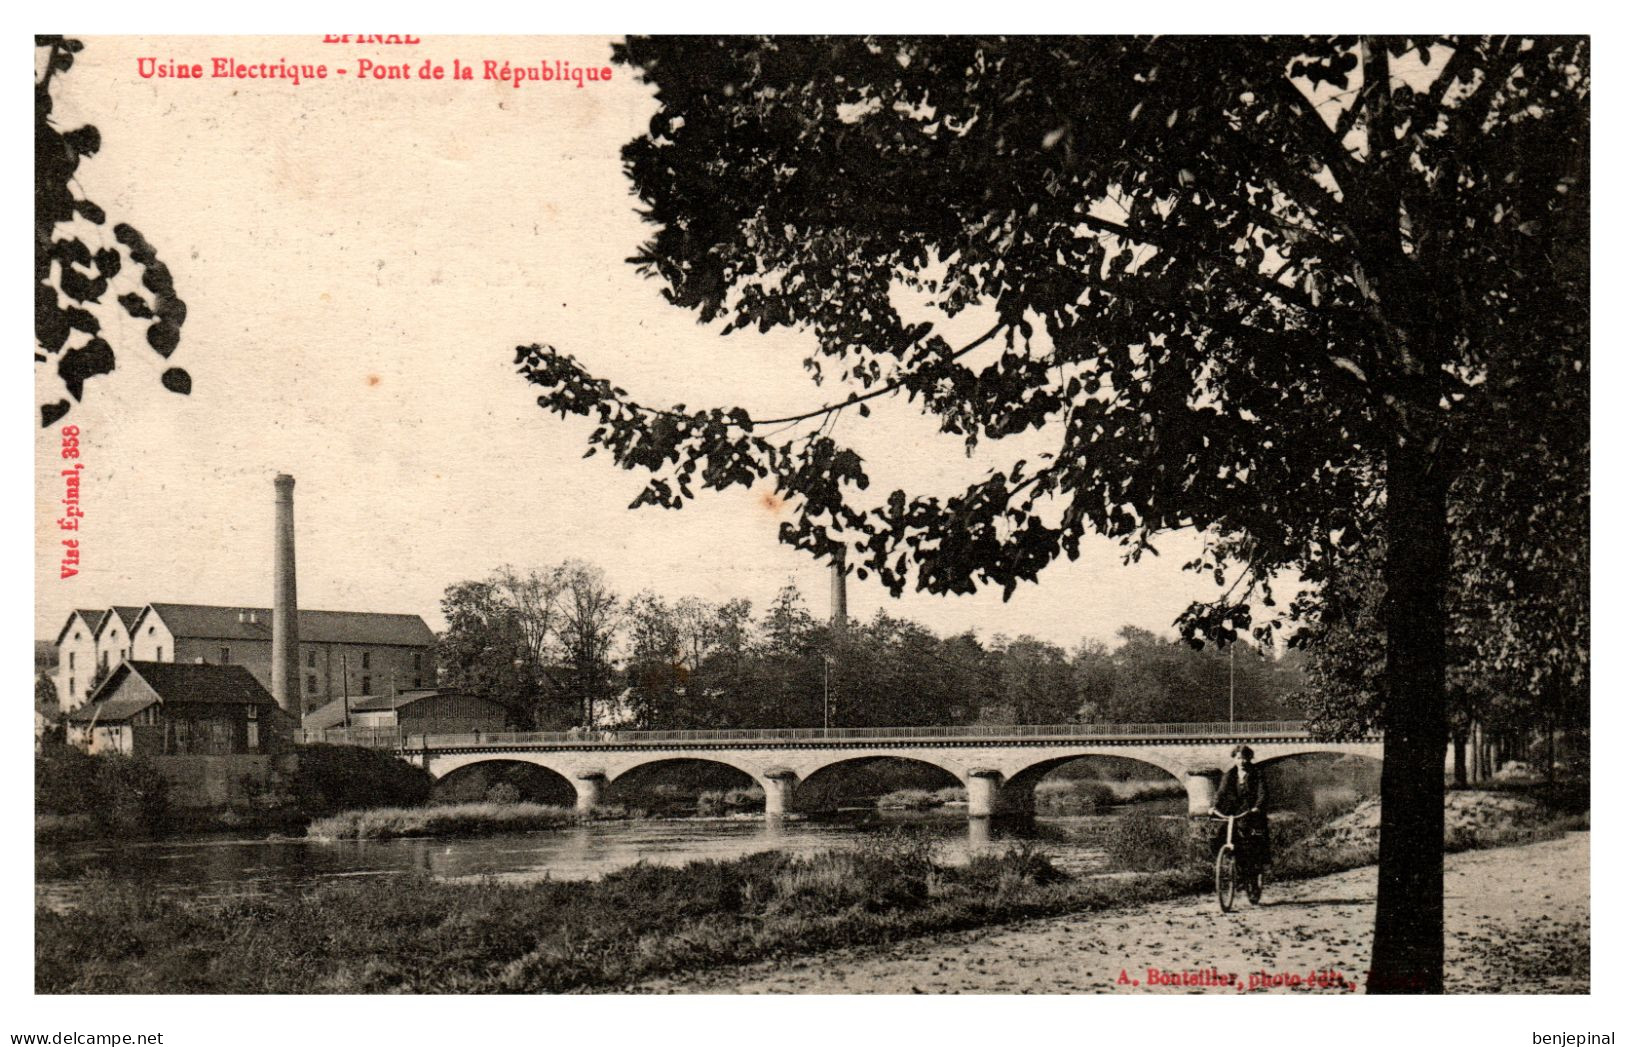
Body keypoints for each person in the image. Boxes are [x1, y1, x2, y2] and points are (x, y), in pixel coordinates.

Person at [1210, 744, 1270, 874]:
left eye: (1244, 758)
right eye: (1238, 758)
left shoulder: (1257, 773)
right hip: (1233, 809)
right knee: (1220, 832)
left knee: (1248, 836)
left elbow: (1262, 793)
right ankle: (1227, 860)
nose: (1241, 761)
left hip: (1250, 809)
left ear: (1249, 759)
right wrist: (1213, 806)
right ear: (1234, 759)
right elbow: (1221, 792)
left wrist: (1257, 807)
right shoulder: (1229, 774)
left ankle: (1254, 867)